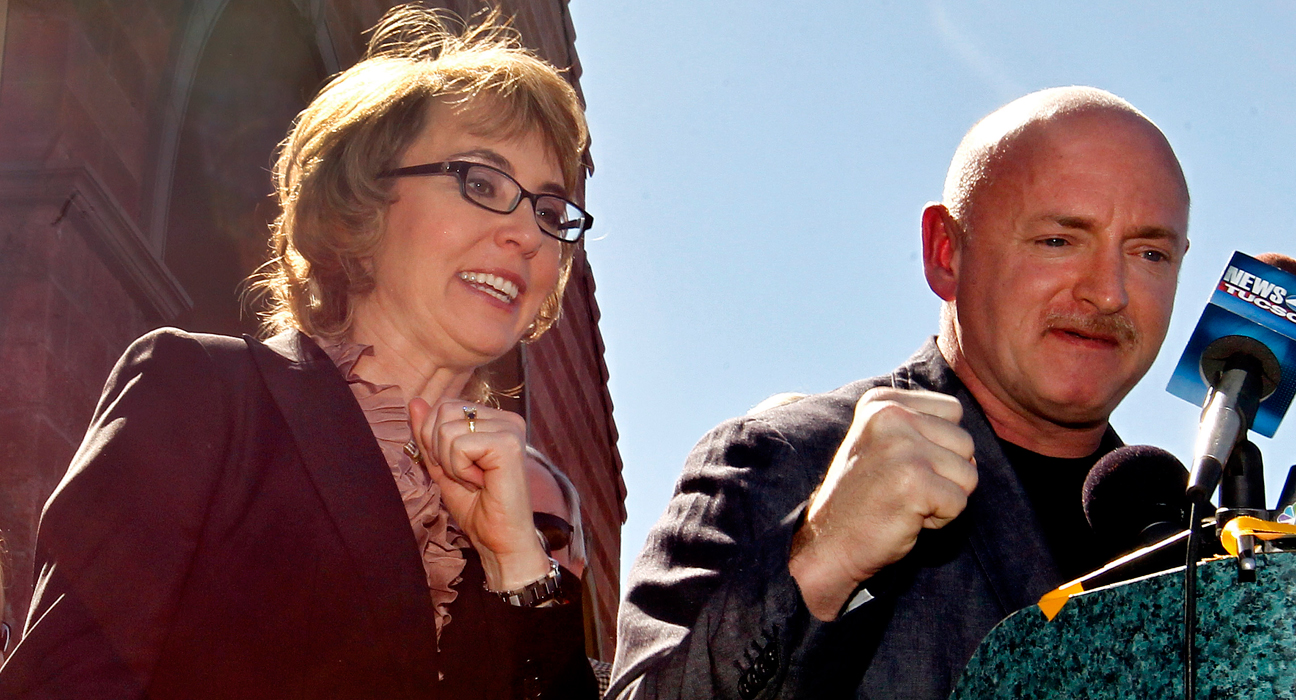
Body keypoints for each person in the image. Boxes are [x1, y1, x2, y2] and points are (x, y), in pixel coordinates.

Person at [0, 6, 598, 699]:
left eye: (551, 211)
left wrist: (516, 567)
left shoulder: (534, 521)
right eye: (483, 183)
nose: (528, 233)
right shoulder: (203, 393)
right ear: (364, 199)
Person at [609, 86, 1191, 700]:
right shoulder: (788, 458)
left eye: (1150, 252)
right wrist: (816, 559)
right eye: (1058, 240)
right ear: (946, 251)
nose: (1109, 292)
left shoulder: (1199, 539)